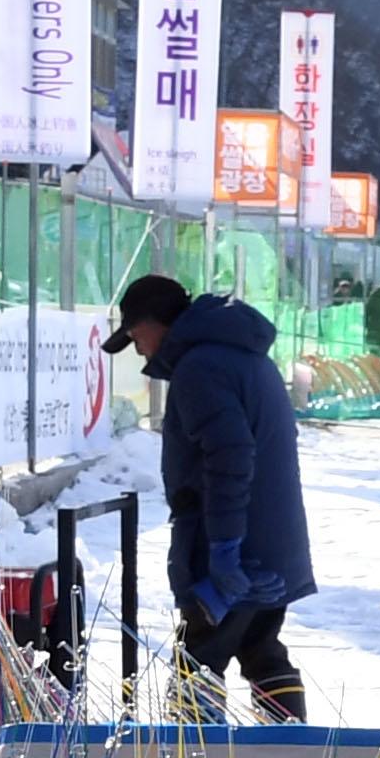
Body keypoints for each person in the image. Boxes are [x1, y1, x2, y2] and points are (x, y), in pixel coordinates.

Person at [106, 274, 315, 720]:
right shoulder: (239, 355)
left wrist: (225, 551)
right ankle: (292, 756)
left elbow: (230, 458)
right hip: (269, 540)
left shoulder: (201, 368)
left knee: (197, 660)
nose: (139, 350)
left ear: (154, 324)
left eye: (136, 337)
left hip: (235, 543)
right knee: (260, 647)